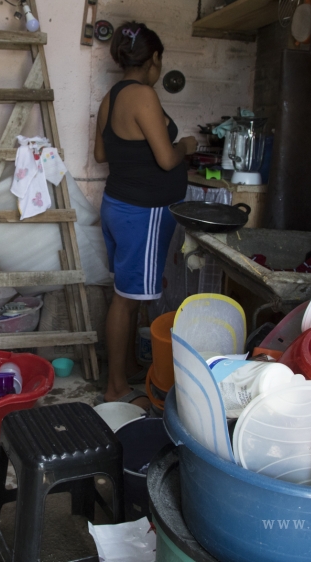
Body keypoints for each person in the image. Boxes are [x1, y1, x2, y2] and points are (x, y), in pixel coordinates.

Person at [94, 22, 197, 409]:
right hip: (144, 213)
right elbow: (167, 158)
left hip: (118, 205)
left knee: (127, 292)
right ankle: (116, 388)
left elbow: (101, 154)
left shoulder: (111, 97)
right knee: (126, 299)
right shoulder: (143, 95)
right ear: (154, 59)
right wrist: (186, 145)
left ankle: (128, 367)